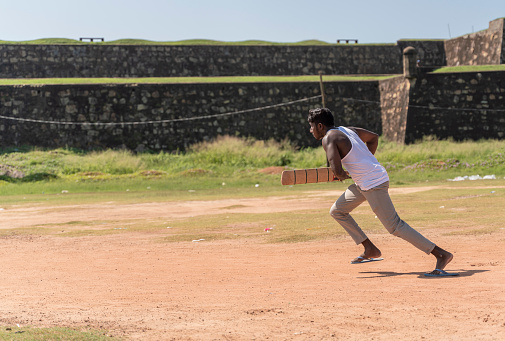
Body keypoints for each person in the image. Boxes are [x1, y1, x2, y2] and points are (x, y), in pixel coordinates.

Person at [307, 107, 457, 277]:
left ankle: (440, 254)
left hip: (372, 183)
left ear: (320, 126)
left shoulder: (328, 139)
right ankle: (369, 248)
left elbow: (338, 172)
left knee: (395, 226)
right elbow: (373, 138)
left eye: (311, 127)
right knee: (337, 211)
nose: (310, 131)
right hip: (366, 181)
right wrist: (365, 162)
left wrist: (343, 174)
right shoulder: (348, 130)